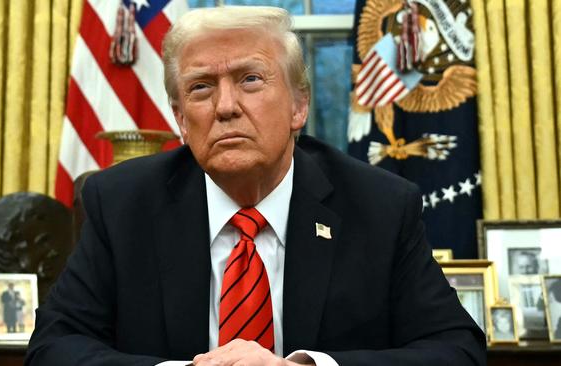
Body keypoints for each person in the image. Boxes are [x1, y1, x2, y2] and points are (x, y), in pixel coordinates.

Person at [26, 6, 485, 366]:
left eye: (250, 79)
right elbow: (53, 348)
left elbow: (456, 349)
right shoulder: (121, 203)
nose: (225, 106)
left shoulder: (380, 205)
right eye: (201, 88)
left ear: (299, 106)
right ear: (181, 120)